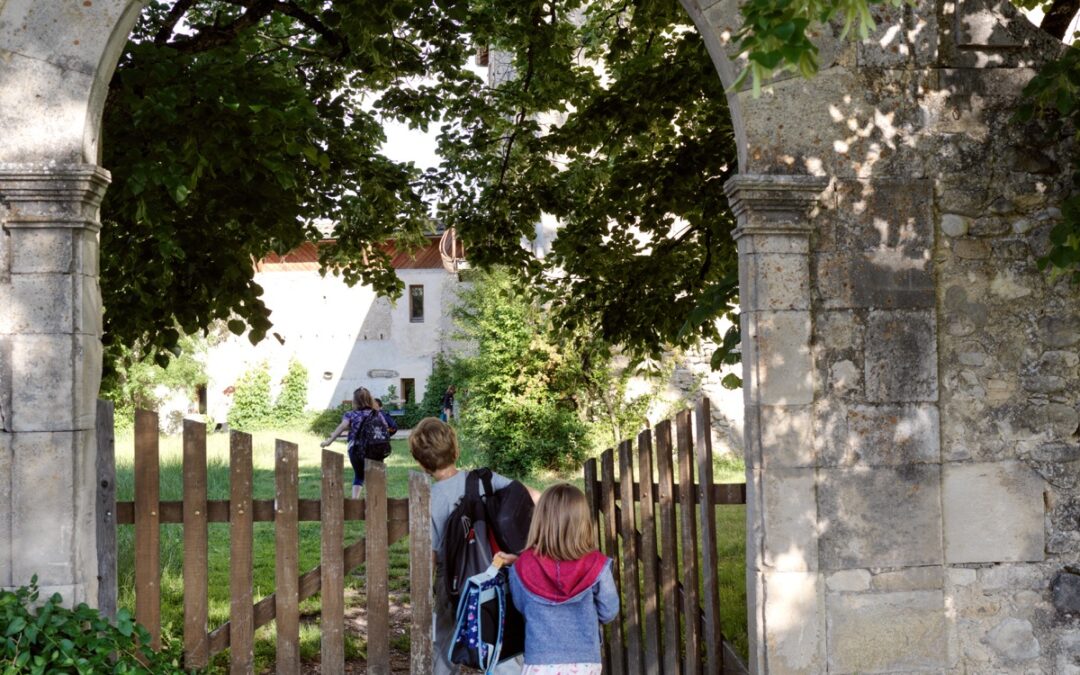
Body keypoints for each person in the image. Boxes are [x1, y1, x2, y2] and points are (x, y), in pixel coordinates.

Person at [409, 417, 538, 675]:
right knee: (501, 636)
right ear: (455, 449)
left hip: (453, 582)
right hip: (496, 570)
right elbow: (535, 496)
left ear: (422, 464)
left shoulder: (429, 499)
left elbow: (431, 556)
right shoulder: (484, 480)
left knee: (445, 640)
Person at [506, 484, 619, 675]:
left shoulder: (522, 566)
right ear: (583, 522)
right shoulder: (596, 565)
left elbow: (520, 605)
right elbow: (609, 612)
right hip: (585, 662)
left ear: (540, 519)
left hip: (539, 661)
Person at [320, 387, 379, 498]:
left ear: (355, 400)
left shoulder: (350, 414)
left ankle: (355, 499)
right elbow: (386, 427)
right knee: (374, 475)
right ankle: (374, 501)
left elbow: (342, 426)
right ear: (370, 399)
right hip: (374, 449)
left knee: (359, 475)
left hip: (355, 449)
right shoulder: (376, 414)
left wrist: (329, 441)